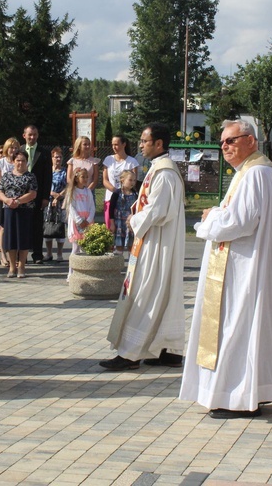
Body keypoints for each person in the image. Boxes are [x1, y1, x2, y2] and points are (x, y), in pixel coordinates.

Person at [178, 119, 272, 419]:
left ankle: (237, 397)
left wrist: (208, 220)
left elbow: (240, 222)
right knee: (245, 329)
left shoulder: (256, 174)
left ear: (251, 140)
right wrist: (219, 214)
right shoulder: (252, 172)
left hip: (246, 270)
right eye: (222, 142)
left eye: (231, 140)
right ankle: (252, 391)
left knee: (239, 328)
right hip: (245, 265)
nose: (224, 146)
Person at [100, 123, 185, 372]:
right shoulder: (159, 169)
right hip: (154, 241)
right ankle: (168, 350)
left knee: (145, 293)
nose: (140, 145)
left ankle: (131, 353)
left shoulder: (166, 173)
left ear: (159, 144)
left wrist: (134, 218)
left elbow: (159, 210)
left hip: (158, 244)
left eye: (145, 141)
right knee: (161, 294)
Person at [0, 151, 38, 278]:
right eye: (18, 160)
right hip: (9, 210)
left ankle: (21, 267)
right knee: (11, 239)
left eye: (23, 160)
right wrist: (7, 200)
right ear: (14, 161)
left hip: (24, 210)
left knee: (23, 239)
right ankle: (12, 267)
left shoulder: (30, 176)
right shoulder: (6, 176)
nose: (20, 163)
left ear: (27, 162)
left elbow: (33, 193)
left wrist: (19, 201)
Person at [21, 125, 52, 264]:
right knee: (22, 225)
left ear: (37, 135)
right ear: (24, 136)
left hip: (38, 195)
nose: (32, 137)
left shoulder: (44, 152)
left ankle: (37, 255)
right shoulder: (19, 150)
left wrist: (45, 196)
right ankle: (21, 255)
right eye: (29, 135)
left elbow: (48, 176)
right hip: (21, 195)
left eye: (34, 134)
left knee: (37, 226)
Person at [64, 167, 94, 281]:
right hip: (77, 222)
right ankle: (70, 273)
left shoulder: (88, 191)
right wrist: (79, 220)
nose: (85, 179)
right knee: (75, 248)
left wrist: (89, 219)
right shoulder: (73, 191)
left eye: (87, 177)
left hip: (87, 221)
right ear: (76, 178)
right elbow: (71, 207)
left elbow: (92, 206)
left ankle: (82, 272)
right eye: (83, 177)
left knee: (85, 248)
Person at [0, 138, 20, 267]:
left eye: (16, 148)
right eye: (11, 147)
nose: (13, 150)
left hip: (17, 199)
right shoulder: (0, 163)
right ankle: (3, 255)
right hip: (3, 198)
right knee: (3, 226)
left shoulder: (19, 162)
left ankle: (15, 256)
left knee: (16, 226)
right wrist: (7, 196)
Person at [102, 135, 139, 225]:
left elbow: (134, 181)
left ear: (124, 144)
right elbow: (105, 180)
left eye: (116, 144)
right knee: (110, 225)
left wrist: (124, 192)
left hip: (127, 199)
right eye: (112, 144)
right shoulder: (108, 159)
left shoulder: (132, 162)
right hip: (110, 198)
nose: (114, 147)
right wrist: (116, 191)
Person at [45, 147, 67, 262]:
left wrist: (58, 196)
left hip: (61, 202)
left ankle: (59, 254)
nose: (58, 159)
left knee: (60, 227)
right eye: (55, 157)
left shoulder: (65, 171)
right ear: (52, 158)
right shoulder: (48, 170)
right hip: (48, 202)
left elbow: (68, 186)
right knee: (48, 226)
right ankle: (48, 253)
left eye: (60, 157)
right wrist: (52, 194)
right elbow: (43, 185)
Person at [108, 170, 138, 255]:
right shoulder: (117, 193)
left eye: (134, 180)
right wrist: (112, 223)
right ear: (122, 180)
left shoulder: (135, 194)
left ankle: (131, 266)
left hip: (131, 223)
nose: (132, 182)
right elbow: (111, 209)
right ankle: (118, 266)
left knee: (131, 246)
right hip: (119, 223)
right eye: (130, 180)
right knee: (119, 246)